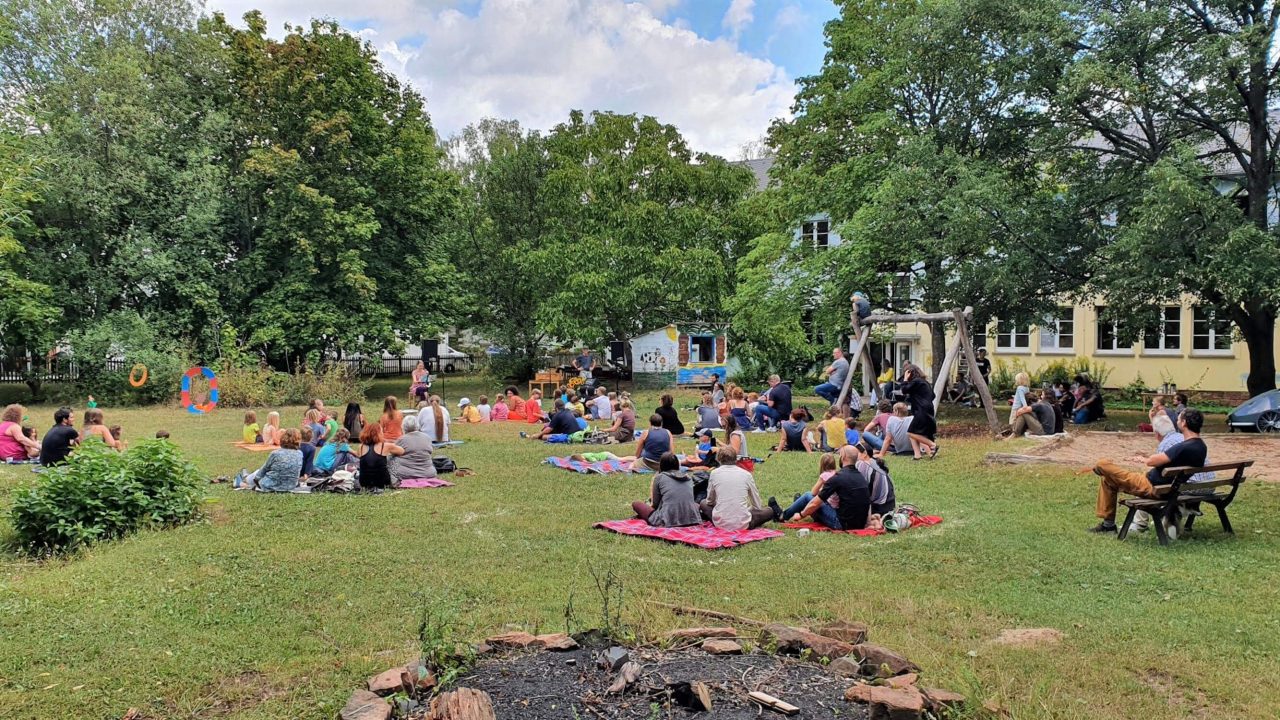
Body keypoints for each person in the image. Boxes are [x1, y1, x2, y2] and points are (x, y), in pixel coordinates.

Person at [1088, 409, 1207, 534]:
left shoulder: (1184, 447)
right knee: (1108, 479)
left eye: (1178, 419)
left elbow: (1152, 461)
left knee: (1103, 464)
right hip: (1168, 488)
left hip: (1151, 486)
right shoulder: (1201, 446)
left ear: (1183, 423)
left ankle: (1108, 525)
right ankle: (1108, 525)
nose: (1177, 420)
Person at [783, 445, 872, 531]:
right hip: (860, 523)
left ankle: (783, 516)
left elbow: (815, 503)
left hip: (842, 524)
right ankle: (797, 505)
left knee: (808, 496)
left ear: (843, 456)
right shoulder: (861, 477)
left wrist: (801, 515)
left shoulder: (838, 477)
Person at [700, 446, 773, 530]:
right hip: (743, 523)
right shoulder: (746, 474)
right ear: (736, 459)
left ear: (719, 459)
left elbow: (710, 501)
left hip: (720, 523)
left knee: (703, 503)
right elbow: (757, 505)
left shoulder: (714, 473)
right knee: (769, 511)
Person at [630, 453, 703, 527]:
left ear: (661, 465)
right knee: (695, 505)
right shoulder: (688, 478)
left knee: (636, 504)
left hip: (667, 520)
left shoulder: (660, 477)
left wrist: (652, 484)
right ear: (677, 464)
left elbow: (655, 504)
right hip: (691, 519)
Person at [777, 452, 840, 522]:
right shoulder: (837, 474)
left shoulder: (824, 475)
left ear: (822, 465)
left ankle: (784, 515)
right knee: (809, 499)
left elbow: (813, 492)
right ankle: (799, 503)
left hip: (831, 507)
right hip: (836, 506)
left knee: (808, 495)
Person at [236, 428, 304, 492]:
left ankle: (243, 481)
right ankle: (246, 477)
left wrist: (256, 479)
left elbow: (264, 469)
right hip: (290, 486)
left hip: (270, 485)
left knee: (257, 473)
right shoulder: (300, 454)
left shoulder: (275, 453)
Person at [899, 364, 938, 457]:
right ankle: (918, 455)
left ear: (910, 373)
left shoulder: (916, 381)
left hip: (921, 410)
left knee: (911, 432)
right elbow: (933, 395)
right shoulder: (924, 382)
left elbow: (904, 390)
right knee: (915, 432)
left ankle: (933, 445)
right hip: (928, 409)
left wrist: (905, 379)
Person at [354, 422, 404, 491]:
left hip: (364, 482)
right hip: (382, 482)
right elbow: (402, 451)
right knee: (395, 458)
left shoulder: (361, 447)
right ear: (379, 433)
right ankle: (394, 480)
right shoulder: (385, 446)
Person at [390, 414, 437, 484]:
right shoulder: (427, 438)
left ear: (403, 427)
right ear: (417, 426)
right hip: (429, 473)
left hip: (405, 474)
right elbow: (430, 453)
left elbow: (393, 453)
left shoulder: (401, 440)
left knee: (389, 459)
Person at [855, 441, 896, 516]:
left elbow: (860, 491)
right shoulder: (875, 463)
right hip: (889, 506)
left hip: (879, 509)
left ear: (864, 454)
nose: (854, 456)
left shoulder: (863, 465)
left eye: (856, 453)